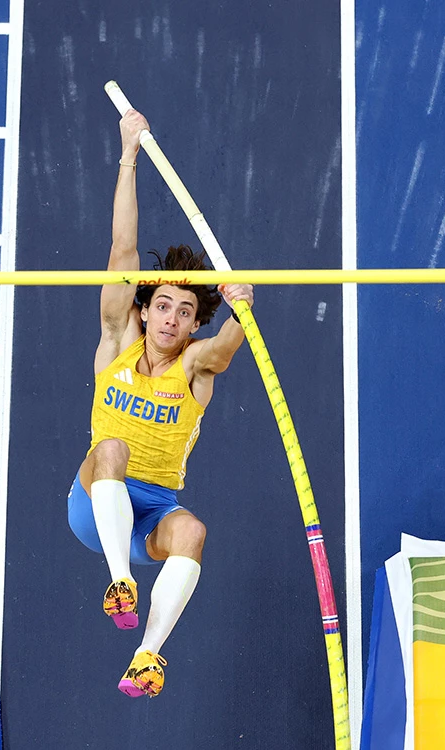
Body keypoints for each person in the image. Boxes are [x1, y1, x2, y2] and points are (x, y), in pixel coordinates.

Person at [65, 108, 255, 698]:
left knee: (193, 531)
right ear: (144, 310)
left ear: (195, 324)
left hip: (150, 516)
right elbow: (123, 248)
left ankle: (146, 656)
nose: (172, 319)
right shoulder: (117, 340)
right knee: (112, 449)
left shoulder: (196, 366)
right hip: (96, 502)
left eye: (186, 312)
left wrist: (241, 309)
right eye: (164, 306)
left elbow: (224, 349)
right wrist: (128, 155)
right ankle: (119, 584)